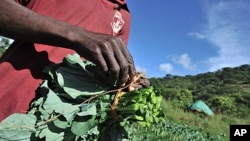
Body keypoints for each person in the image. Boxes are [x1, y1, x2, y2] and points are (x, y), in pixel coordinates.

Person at [0, 0, 149, 121]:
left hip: (57, 126)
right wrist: (77, 36)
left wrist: (127, 87)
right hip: (7, 100)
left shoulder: (124, 16)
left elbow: (111, 71)